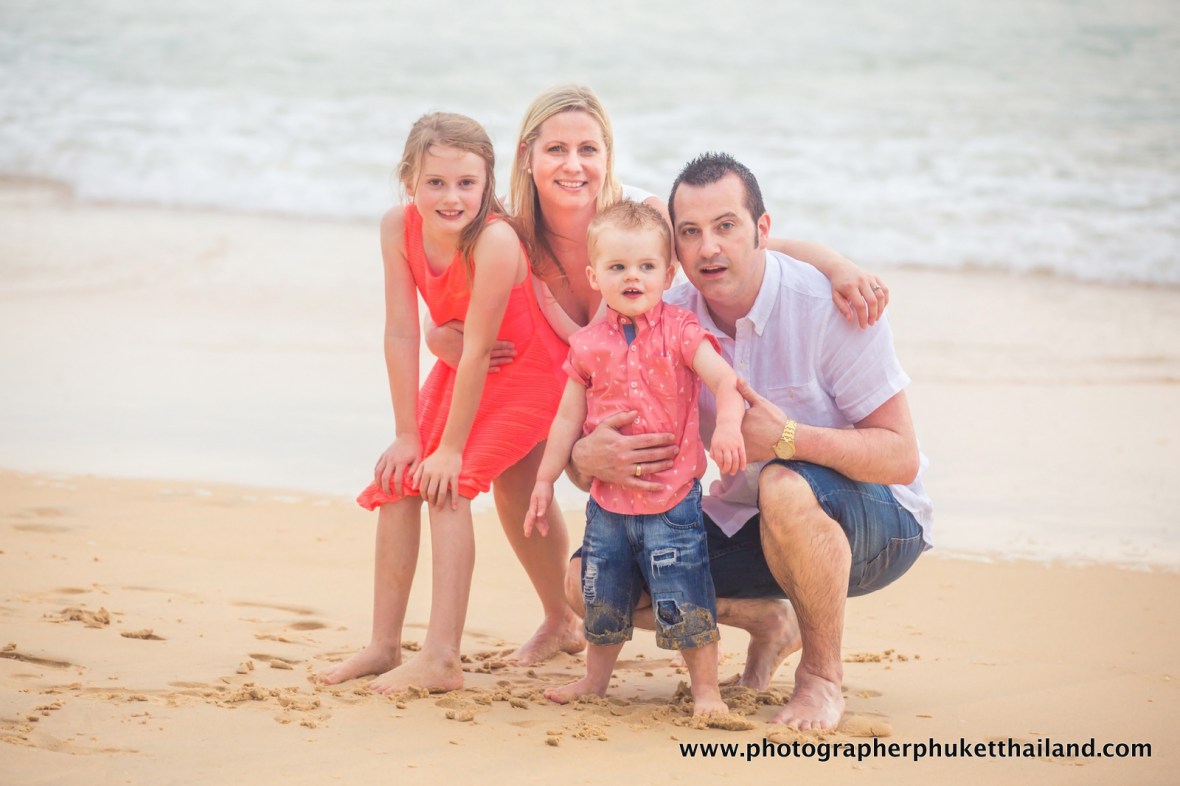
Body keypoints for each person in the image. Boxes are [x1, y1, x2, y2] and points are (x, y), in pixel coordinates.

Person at [424, 85, 892, 666]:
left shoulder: (641, 216)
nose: (573, 166)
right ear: (527, 154)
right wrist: (436, 332)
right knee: (534, 497)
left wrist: (837, 264)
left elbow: (737, 242)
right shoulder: (510, 233)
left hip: (644, 386)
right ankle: (561, 617)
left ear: (607, 155)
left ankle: (800, 655)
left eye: (588, 149)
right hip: (567, 373)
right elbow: (456, 283)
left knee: (693, 491)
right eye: (557, 150)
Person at [567, 152, 934, 731]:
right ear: (673, 252)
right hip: (748, 523)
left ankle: (819, 677)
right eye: (690, 233)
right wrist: (583, 459)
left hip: (877, 523)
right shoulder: (666, 317)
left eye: (726, 226)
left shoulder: (828, 306)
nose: (709, 247)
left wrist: (788, 438)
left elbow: (899, 455)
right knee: (586, 582)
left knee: (783, 484)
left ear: (763, 231)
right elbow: (596, 434)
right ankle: (767, 622)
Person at [316, 112, 568, 693]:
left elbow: (480, 349)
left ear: (487, 185)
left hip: (526, 370)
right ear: (409, 180)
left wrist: (450, 449)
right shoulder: (396, 228)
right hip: (464, 365)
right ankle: (383, 645)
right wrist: (409, 435)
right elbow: (402, 332)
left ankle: (442, 657)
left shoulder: (496, 239)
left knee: (446, 485)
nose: (451, 198)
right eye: (436, 183)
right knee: (401, 476)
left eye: (466, 184)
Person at [522, 201, 746, 716]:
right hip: (607, 510)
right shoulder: (586, 346)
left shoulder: (681, 331)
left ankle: (706, 690)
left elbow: (723, 380)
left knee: (686, 595)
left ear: (668, 274)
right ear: (593, 275)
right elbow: (564, 421)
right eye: (617, 266)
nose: (632, 277)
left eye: (646, 266)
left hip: (672, 505)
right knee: (604, 598)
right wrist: (544, 480)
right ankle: (594, 681)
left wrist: (729, 424)